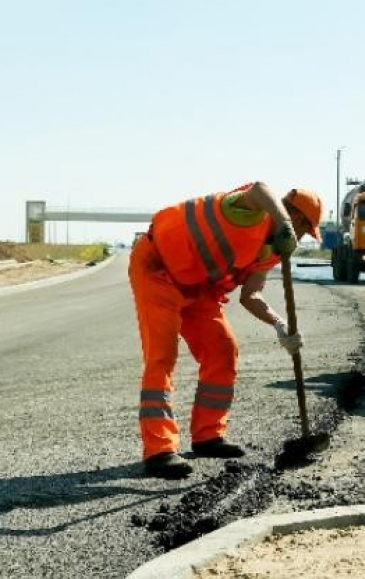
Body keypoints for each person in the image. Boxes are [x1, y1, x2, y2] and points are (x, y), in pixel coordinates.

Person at [128, 182, 323, 479]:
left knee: (223, 350)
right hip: (158, 269)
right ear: (293, 216)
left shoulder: (272, 250)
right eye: (304, 229)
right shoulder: (249, 212)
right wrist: (283, 223)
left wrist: (280, 325)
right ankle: (160, 450)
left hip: (199, 286)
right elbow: (258, 188)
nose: (301, 237)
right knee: (161, 357)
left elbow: (251, 296)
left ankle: (208, 435)